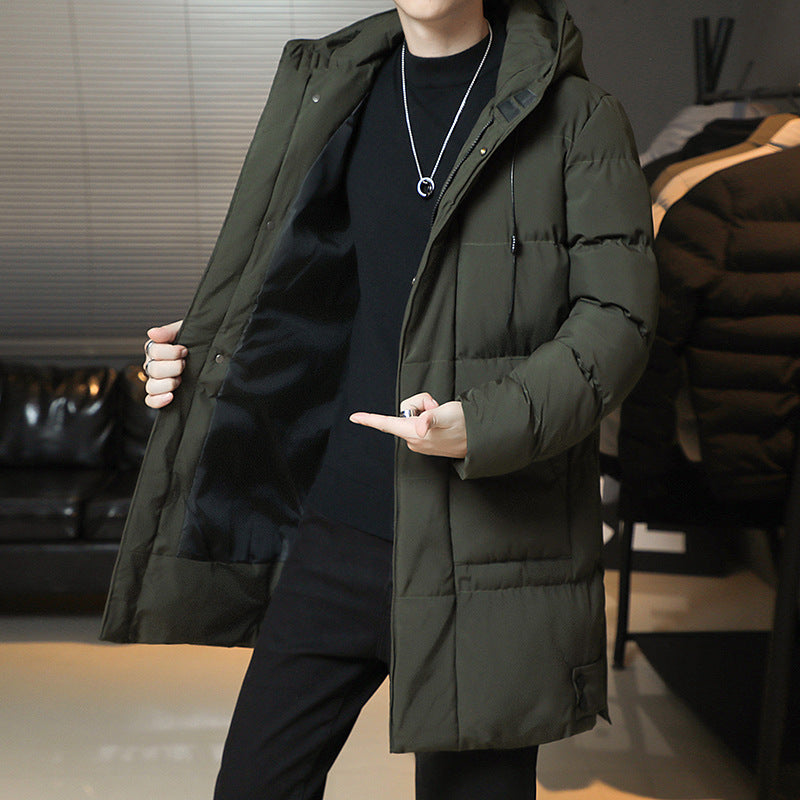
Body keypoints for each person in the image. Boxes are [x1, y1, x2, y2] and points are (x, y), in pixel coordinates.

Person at [101, 0, 658, 798]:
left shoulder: (577, 115)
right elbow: (307, 287)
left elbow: (619, 322)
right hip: (339, 528)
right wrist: (197, 356)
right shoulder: (334, 90)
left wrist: (482, 423)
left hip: (491, 544)